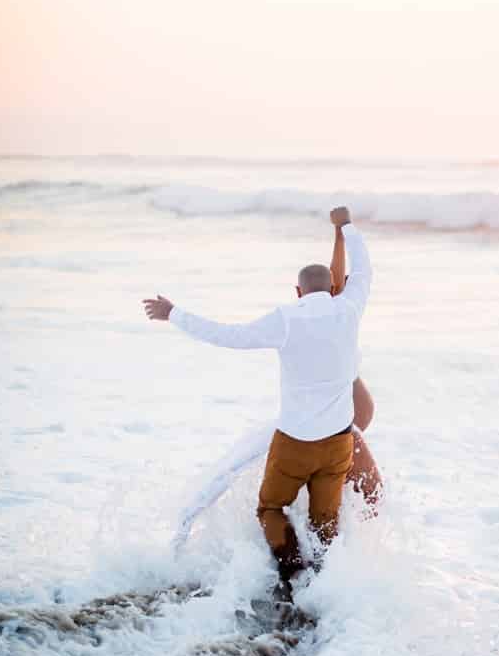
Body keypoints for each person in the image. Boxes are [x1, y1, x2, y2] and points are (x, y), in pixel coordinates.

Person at [144, 206, 371, 588]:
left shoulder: (285, 319)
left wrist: (174, 314)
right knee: (326, 524)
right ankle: (325, 587)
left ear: (298, 292)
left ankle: (290, 570)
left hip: (295, 442)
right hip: (338, 445)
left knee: (270, 508)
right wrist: (344, 226)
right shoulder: (350, 308)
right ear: (334, 288)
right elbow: (363, 266)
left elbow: (227, 336)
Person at [330, 217, 383, 509]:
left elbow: (345, 276)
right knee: (370, 498)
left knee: (360, 497)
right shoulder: (337, 309)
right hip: (341, 424)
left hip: (345, 423)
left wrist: (341, 234)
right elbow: (343, 275)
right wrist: (342, 233)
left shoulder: (343, 311)